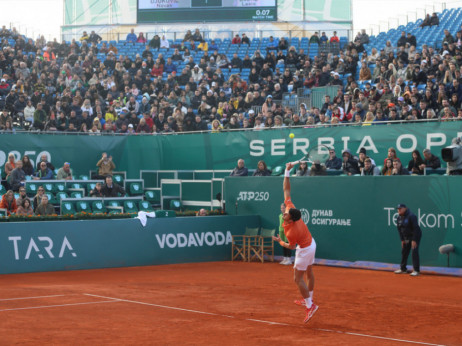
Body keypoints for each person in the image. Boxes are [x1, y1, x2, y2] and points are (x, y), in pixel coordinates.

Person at [272, 161, 318, 323]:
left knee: (297, 279)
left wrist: (280, 242)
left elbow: (291, 246)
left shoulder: (290, 231)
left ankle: (309, 305)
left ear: (290, 219)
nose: (284, 211)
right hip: (311, 243)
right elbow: (286, 189)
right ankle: (309, 299)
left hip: (305, 249)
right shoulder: (290, 208)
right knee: (309, 272)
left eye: (286, 214)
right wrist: (286, 171)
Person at [394, 204, 422, 276]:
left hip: (415, 236)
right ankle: (403, 269)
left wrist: (414, 240)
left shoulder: (411, 216)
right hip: (406, 237)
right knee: (404, 251)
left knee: (414, 251)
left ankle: (416, 270)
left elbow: (416, 228)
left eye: (400, 208)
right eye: (398, 209)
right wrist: (402, 240)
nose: (399, 210)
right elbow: (399, 229)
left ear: (405, 209)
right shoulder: (399, 218)